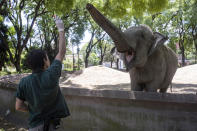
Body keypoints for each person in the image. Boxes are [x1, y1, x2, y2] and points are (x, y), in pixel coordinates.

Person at [15, 16, 70, 131]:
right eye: (47, 57)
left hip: (34, 126)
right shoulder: (51, 74)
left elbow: (18, 106)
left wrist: (32, 110)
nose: (49, 59)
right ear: (45, 61)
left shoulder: (23, 82)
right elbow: (62, 52)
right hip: (52, 126)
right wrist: (61, 28)